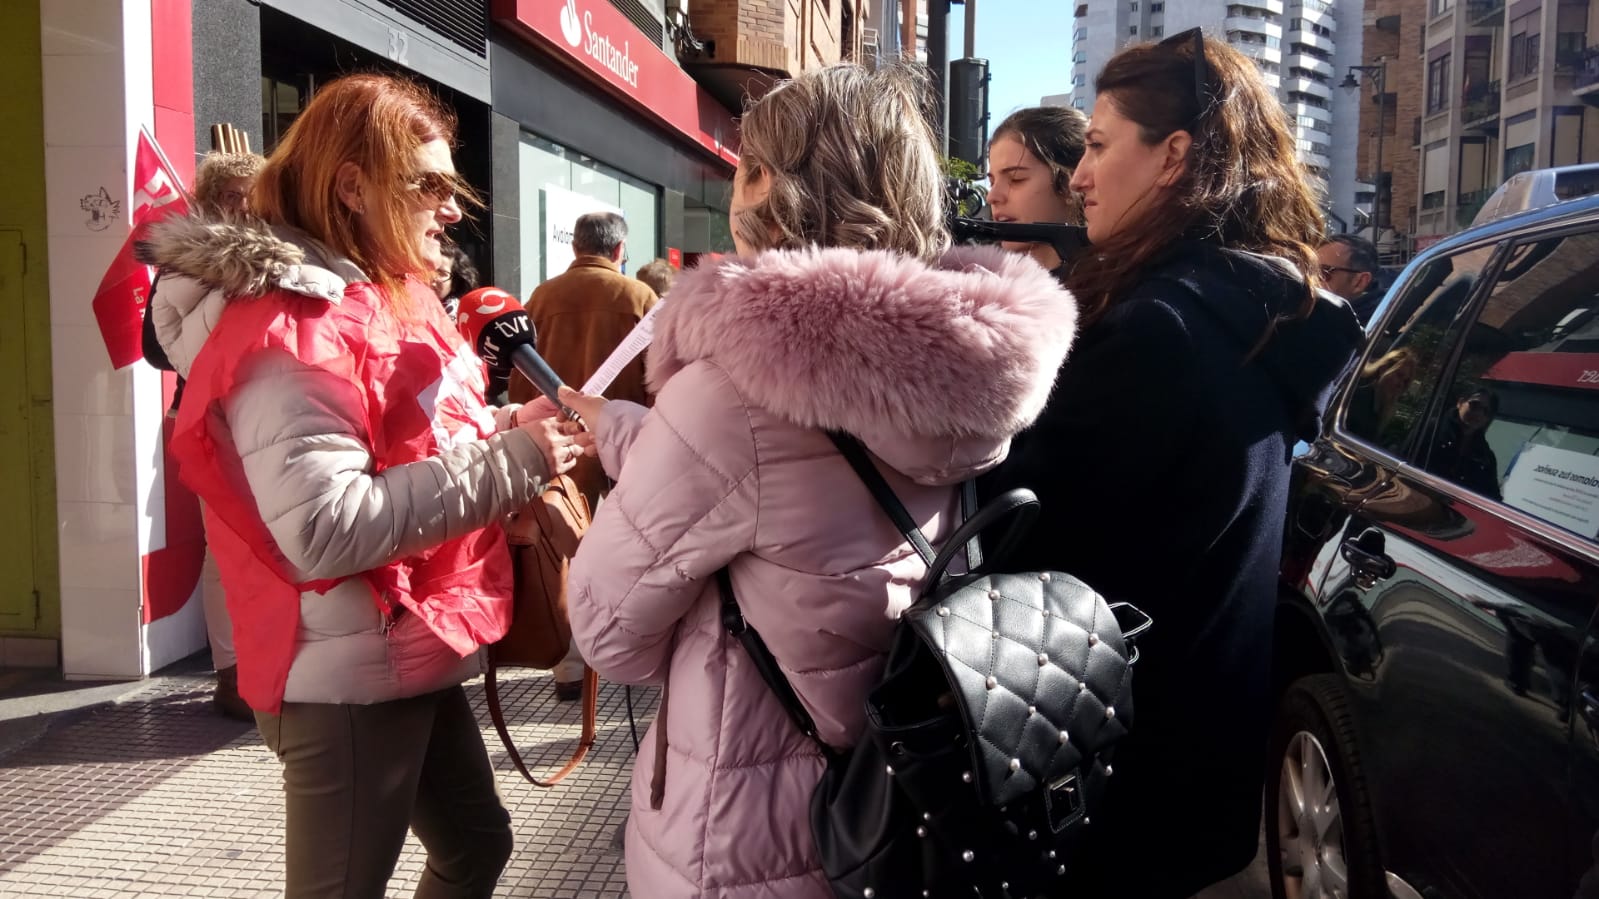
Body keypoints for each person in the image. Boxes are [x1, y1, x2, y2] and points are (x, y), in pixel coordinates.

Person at [559, 63, 1077, 899]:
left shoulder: (730, 391)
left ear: (765, 181)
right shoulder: (962, 378)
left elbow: (608, 635)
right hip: (901, 807)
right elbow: (785, 497)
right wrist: (623, 433)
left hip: (741, 829)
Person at [141, 73, 593, 899]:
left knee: (476, 846)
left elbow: (404, 443)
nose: (451, 208)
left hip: (402, 646)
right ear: (352, 187)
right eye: (428, 184)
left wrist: (506, 433)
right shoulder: (291, 325)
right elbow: (325, 527)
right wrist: (514, 463)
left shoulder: (378, 298)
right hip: (343, 674)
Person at [977, 30, 1364, 898]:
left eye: (1100, 147)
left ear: (1173, 157)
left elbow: (1022, 535)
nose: (1079, 175)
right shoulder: (1262, 314)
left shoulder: (1157, 334)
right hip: (1203, 758)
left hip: (1105, 773)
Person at [137, 148, 266, 722]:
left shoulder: (273, 252)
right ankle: (231, 673)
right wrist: (206, 351)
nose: (243, 205)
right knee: (223, 544)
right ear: (213, 197)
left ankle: (263, 664)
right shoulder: (187, 257)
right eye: (233, 194)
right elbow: (150, 348)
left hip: (264, 413)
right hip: (209, 417)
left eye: (251, 194)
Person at [523, 210, 659, 701]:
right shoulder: (639, 297)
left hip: (560, 442)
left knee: (562, 548)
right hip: (625, 440)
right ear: (619, 250)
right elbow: (658, 380)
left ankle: (568, 666)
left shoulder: (542, 297)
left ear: (576, 246)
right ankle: (630, 646)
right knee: (631, 547)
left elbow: (520, 379)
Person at [985, 105, 1088, 271]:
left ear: (1071, 184)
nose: (992, 197)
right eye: (992, 182)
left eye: (1015, 179)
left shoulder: (1113, 291)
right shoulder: (983, 281)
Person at [1428, 387, 1502, 499]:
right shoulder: (1431, 430)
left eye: (1486, 411)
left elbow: (1492, 499)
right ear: (1460, 403)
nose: (1478, 413)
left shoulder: (1486, 457)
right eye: (1475, 405)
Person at [1318, 233, 1385, 325]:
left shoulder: (1376, 328)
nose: (1310, 281)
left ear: (1360, 282)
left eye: (1322, 272)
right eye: (1307, 271)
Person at [432, 236, 479, 321]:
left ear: (455, 283)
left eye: (441, 273)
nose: (431, 278)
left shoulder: (462, 320)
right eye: (425, 271)